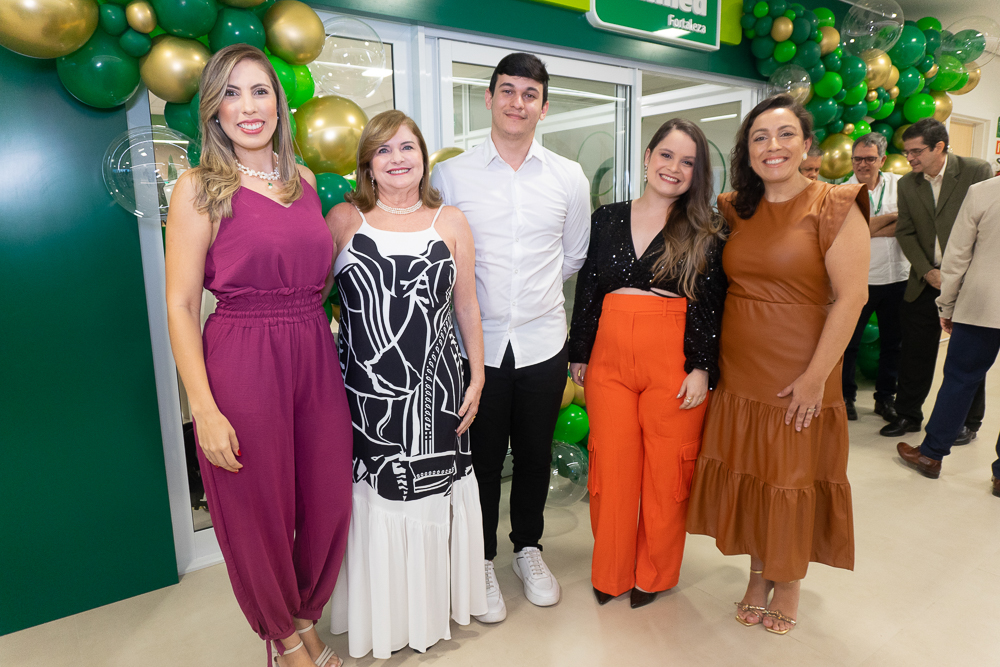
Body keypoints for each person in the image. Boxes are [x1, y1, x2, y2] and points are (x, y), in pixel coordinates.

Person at [164, 44, 350, 667]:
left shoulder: (307, 183)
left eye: (260, 91)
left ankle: (304, 615)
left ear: (280, 104)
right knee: (258, 509)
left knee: (326, 496)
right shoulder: (198, 188)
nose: (248, 106)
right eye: (231, 93)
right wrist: (204, 409)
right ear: (214, 110)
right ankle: (287, 640)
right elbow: (181, 305)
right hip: (243, 356)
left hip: (313, 350)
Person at [686, 94, 870, 635]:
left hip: (801, 371)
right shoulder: (732, 208)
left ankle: (787, 581)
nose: (773, 146)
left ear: (807, 144)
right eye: (760, 136)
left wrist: (815, 379)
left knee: (790, 479)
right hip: (741, 371)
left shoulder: (836, 204)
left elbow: (852, 298)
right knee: (757, 477)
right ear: (747, 149)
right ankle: (757, 572)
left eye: (786, 134)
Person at [431, 52, 590, 622]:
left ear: (543, 107)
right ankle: (480, 559)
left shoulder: (568, 177)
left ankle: (528, 548)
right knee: (478, 458)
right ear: (489, 98)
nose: (517, 102)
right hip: (475, 348)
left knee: (533, 454)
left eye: (529, 94)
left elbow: (573, 255)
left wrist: (530, 300)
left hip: (543, 342)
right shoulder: (452, 176)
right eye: (507, 90)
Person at [326, 110, 487, 658]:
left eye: (407, 147)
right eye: (383, 149)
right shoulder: (344, 219)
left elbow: (467, 305)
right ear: (368, 164)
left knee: (428, 499)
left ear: (423, 157)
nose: (397, 159)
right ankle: (380, 617)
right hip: (361, 393)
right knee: (374, 497)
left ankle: (427, 613)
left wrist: (478, 374)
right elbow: (311, 298)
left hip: (438, 389)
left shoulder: (451, 221)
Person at [568, 118, 726, 609]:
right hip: (609, 357)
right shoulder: (607, 218)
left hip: (673, 360)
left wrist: (702, 367)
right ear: (647, 157)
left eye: (687, 162)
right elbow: (589, 288)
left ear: (697, 172)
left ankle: (654, 574)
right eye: (666, 155)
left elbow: (710, 302)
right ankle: (610, 571)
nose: (674, 168)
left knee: (666, 475)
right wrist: (580, 350)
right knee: (610, 470)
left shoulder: (706, 228)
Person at [881, 119, 992, 441]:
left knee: (968, 357)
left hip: (968, 284)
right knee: (914, 354)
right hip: (924, 282)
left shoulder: (975, 171)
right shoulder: (908, 184)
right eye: (907, 152)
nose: (909, 158)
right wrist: (926, 271)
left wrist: (958, 275)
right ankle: (908, 415)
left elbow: (988, 227)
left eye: (916, 151)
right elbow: (905, 231)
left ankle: (968, 422)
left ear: (939, 147)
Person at [896, 176, 1000, 494]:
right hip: (982, 305)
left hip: (981, 303)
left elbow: (957, 256)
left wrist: (947, 304)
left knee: (960, 380)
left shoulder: (984, 192)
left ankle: (931, 455)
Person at [841, 133, 907, 421]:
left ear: (882, 159)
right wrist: (892, 217)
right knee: (849, 343)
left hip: (897, 277)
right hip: (859, 279)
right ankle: (846, 397)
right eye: (857, 159)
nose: (862, 164)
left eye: (869, 159)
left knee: (894, 344)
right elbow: (851, 232)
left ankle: (885, 398)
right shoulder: (843, 191)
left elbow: (909, 225)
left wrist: (867, 227)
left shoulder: (900, 185)